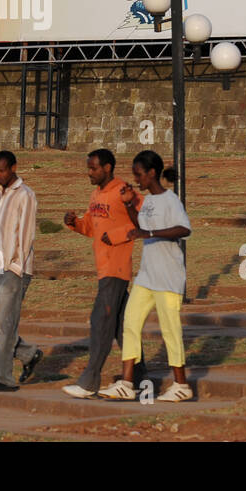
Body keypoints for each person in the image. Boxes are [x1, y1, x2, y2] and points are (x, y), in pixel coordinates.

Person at [99, 150, 193, 402]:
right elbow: (140, 227)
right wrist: (130, 204)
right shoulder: (149, 201)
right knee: (130, 323)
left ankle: (181, 385)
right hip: (147, 276)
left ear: (152, 173)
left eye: (139, 175)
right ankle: (127, 383)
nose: (136, 180)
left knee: (170, 330)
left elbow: (184, 229)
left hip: (168, 277)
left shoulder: (170, 200)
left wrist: (149, 235)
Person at [61, 148, 141, 398]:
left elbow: (144, 221)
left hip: (116, 267)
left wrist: (115, 236)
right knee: (122, 326)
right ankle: (141, 376)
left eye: (93, 168)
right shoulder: (95, 194)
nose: (89, 173)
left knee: (100, 321)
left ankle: (89, 381)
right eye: (88, 168)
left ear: (107, 168)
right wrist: (74, 222)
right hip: (103, 267)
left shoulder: (123, 191)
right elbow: (92, 228)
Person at [0, 150, 42, 391]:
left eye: (2, 170)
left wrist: (16, 267)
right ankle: (28, 354)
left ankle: (3, 378)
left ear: (14, 168)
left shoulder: (25, 195)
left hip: (16, 268)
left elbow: (26, 236)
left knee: (5, 325)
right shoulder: (0, 193)